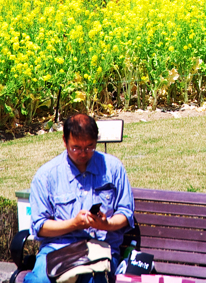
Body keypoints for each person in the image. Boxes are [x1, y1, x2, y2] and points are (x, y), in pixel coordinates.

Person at [25, 114, 134, 283]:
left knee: (92, 279)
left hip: (100, 249)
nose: (83, 154)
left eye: (89, 147)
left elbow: (126, 214)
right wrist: (74, 224)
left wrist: (106, 224)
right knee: (39, 281)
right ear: (64, 141)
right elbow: (40, 226)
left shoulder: (113, 168)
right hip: (58, 249)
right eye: (76, 148)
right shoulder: (47, 175)